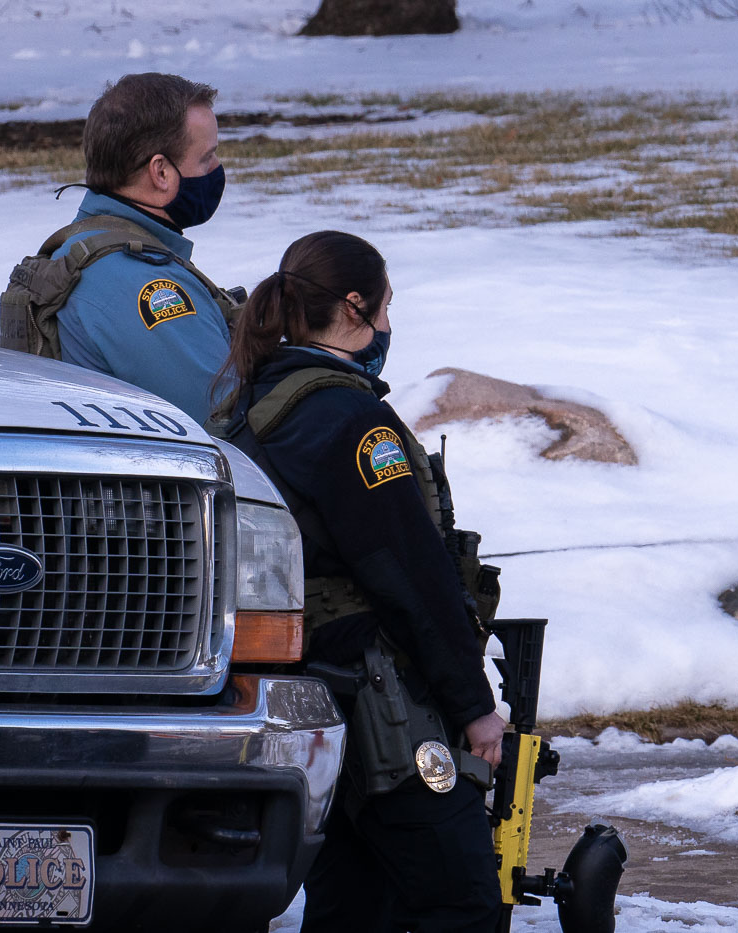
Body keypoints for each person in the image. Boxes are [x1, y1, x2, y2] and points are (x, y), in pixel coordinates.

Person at [214, 230, 506, 932]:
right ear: (355, 307)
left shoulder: (251, 411)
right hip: (381, 704)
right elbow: (410, 572)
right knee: (462, 898)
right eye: (385, 308)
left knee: (352, 905)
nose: (388, 326)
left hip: (298, 705)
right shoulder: (353, 422)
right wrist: (473, 703)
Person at [50, 72, 235, 422]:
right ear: (161, 172)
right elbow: (225, 421)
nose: (217, 168)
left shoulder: (81, 248)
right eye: (207, 157)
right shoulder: (142, 285)